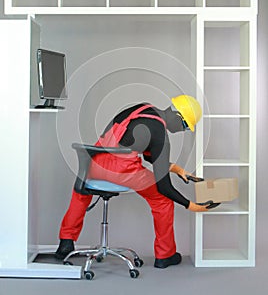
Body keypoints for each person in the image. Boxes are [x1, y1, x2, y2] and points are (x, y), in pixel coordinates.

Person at [55, 95, 218, 268]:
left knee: (81, 192)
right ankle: (165, 255)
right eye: (185, 126)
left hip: (95, 161)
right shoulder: (160, 133)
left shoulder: (141, 109)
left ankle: (66, 242)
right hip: (122, 171)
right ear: (178, 116)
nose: (182, 130)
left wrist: (177, 170)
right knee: (162, 200)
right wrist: (191, 205)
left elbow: (145, 154)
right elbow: (164, 187)